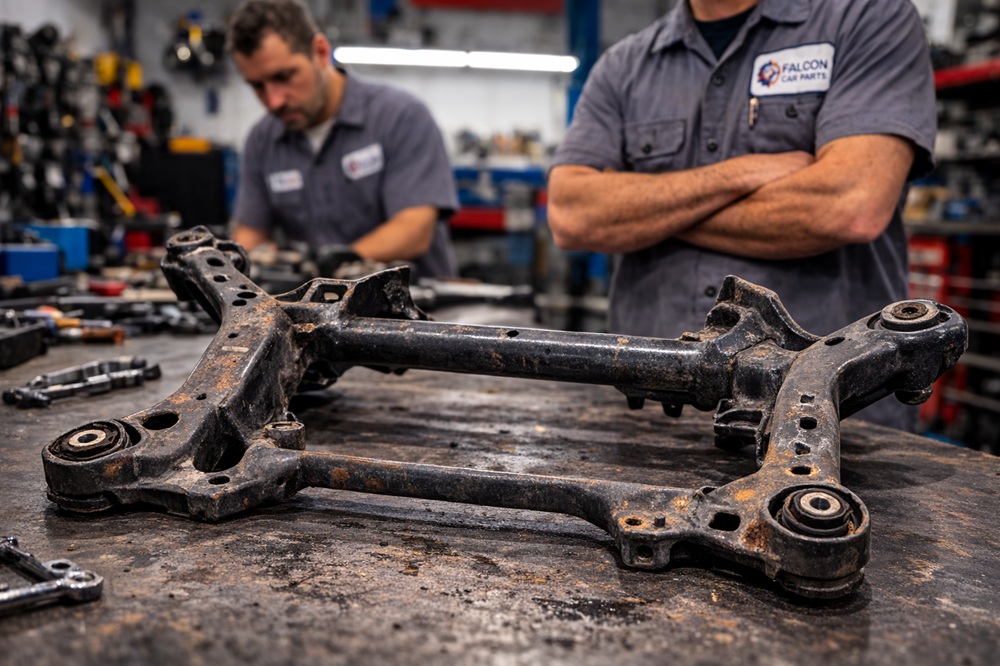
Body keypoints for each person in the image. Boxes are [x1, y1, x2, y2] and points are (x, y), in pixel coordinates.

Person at [547, 0, 936, 430]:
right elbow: (571, 214)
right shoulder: (623, 65)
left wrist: (643, 212)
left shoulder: (868, 18)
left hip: (832, 422)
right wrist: (744, 172)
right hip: (654, 417)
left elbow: (850, 205)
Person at [226, 0, 459, 278]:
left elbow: (415, 229)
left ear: (320, 52)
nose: (274, 101)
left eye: (284, 76)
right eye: (257, 86)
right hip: (318, 314)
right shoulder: (262, 141)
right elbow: (251, 237)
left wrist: (335, 264)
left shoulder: (400, 117)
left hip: (416, 310)